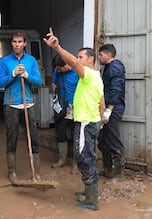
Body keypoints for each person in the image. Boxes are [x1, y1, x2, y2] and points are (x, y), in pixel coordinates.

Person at [43, 27, 104, 211]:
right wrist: (101, 118)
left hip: (86, 122)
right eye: (77, 57)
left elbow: (74, 65)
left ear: (90, 60)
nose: (78, 60)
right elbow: (102, 99)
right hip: (89, 121)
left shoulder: (88, 74)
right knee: (86, 156)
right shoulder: (95, 77)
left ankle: (92, 200)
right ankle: (89, 191)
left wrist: (58, 47)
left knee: (84, 158)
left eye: (81, 57)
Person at [0, 30, 43, 182]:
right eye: (15, 42)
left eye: (20, 42)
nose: (17, 44)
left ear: (25, 43)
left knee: (33, 138)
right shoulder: (4, 61)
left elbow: (39, 81)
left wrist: (27, 76)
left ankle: (35, 172)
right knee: (12, 137)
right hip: (11, 104)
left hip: (28, 103)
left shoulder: (31, 61)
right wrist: (13, 74)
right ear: (11, 43)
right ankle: (12, 172)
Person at [97, 44, 126, 179]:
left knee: (113, 140)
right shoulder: (108, 68)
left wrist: (109, 109)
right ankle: (108, 169)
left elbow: (115, 89)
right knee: (102, 140)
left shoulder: (114, 68)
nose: (99, 57)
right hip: (107, 108)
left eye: (101, 55)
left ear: (108, 54)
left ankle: (118, 172)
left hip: (113, 109)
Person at [50, 54, 79, 174]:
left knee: (75, 136)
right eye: (56, 68)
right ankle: (62, 159)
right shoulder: (58, 71)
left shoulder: (78, 72)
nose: (58, 70)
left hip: (75, 107)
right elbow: (53, 82)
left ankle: (75, 164)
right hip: (61, 107)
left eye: (60, 68)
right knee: (61, 133)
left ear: (67, 64)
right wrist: (55, 87)